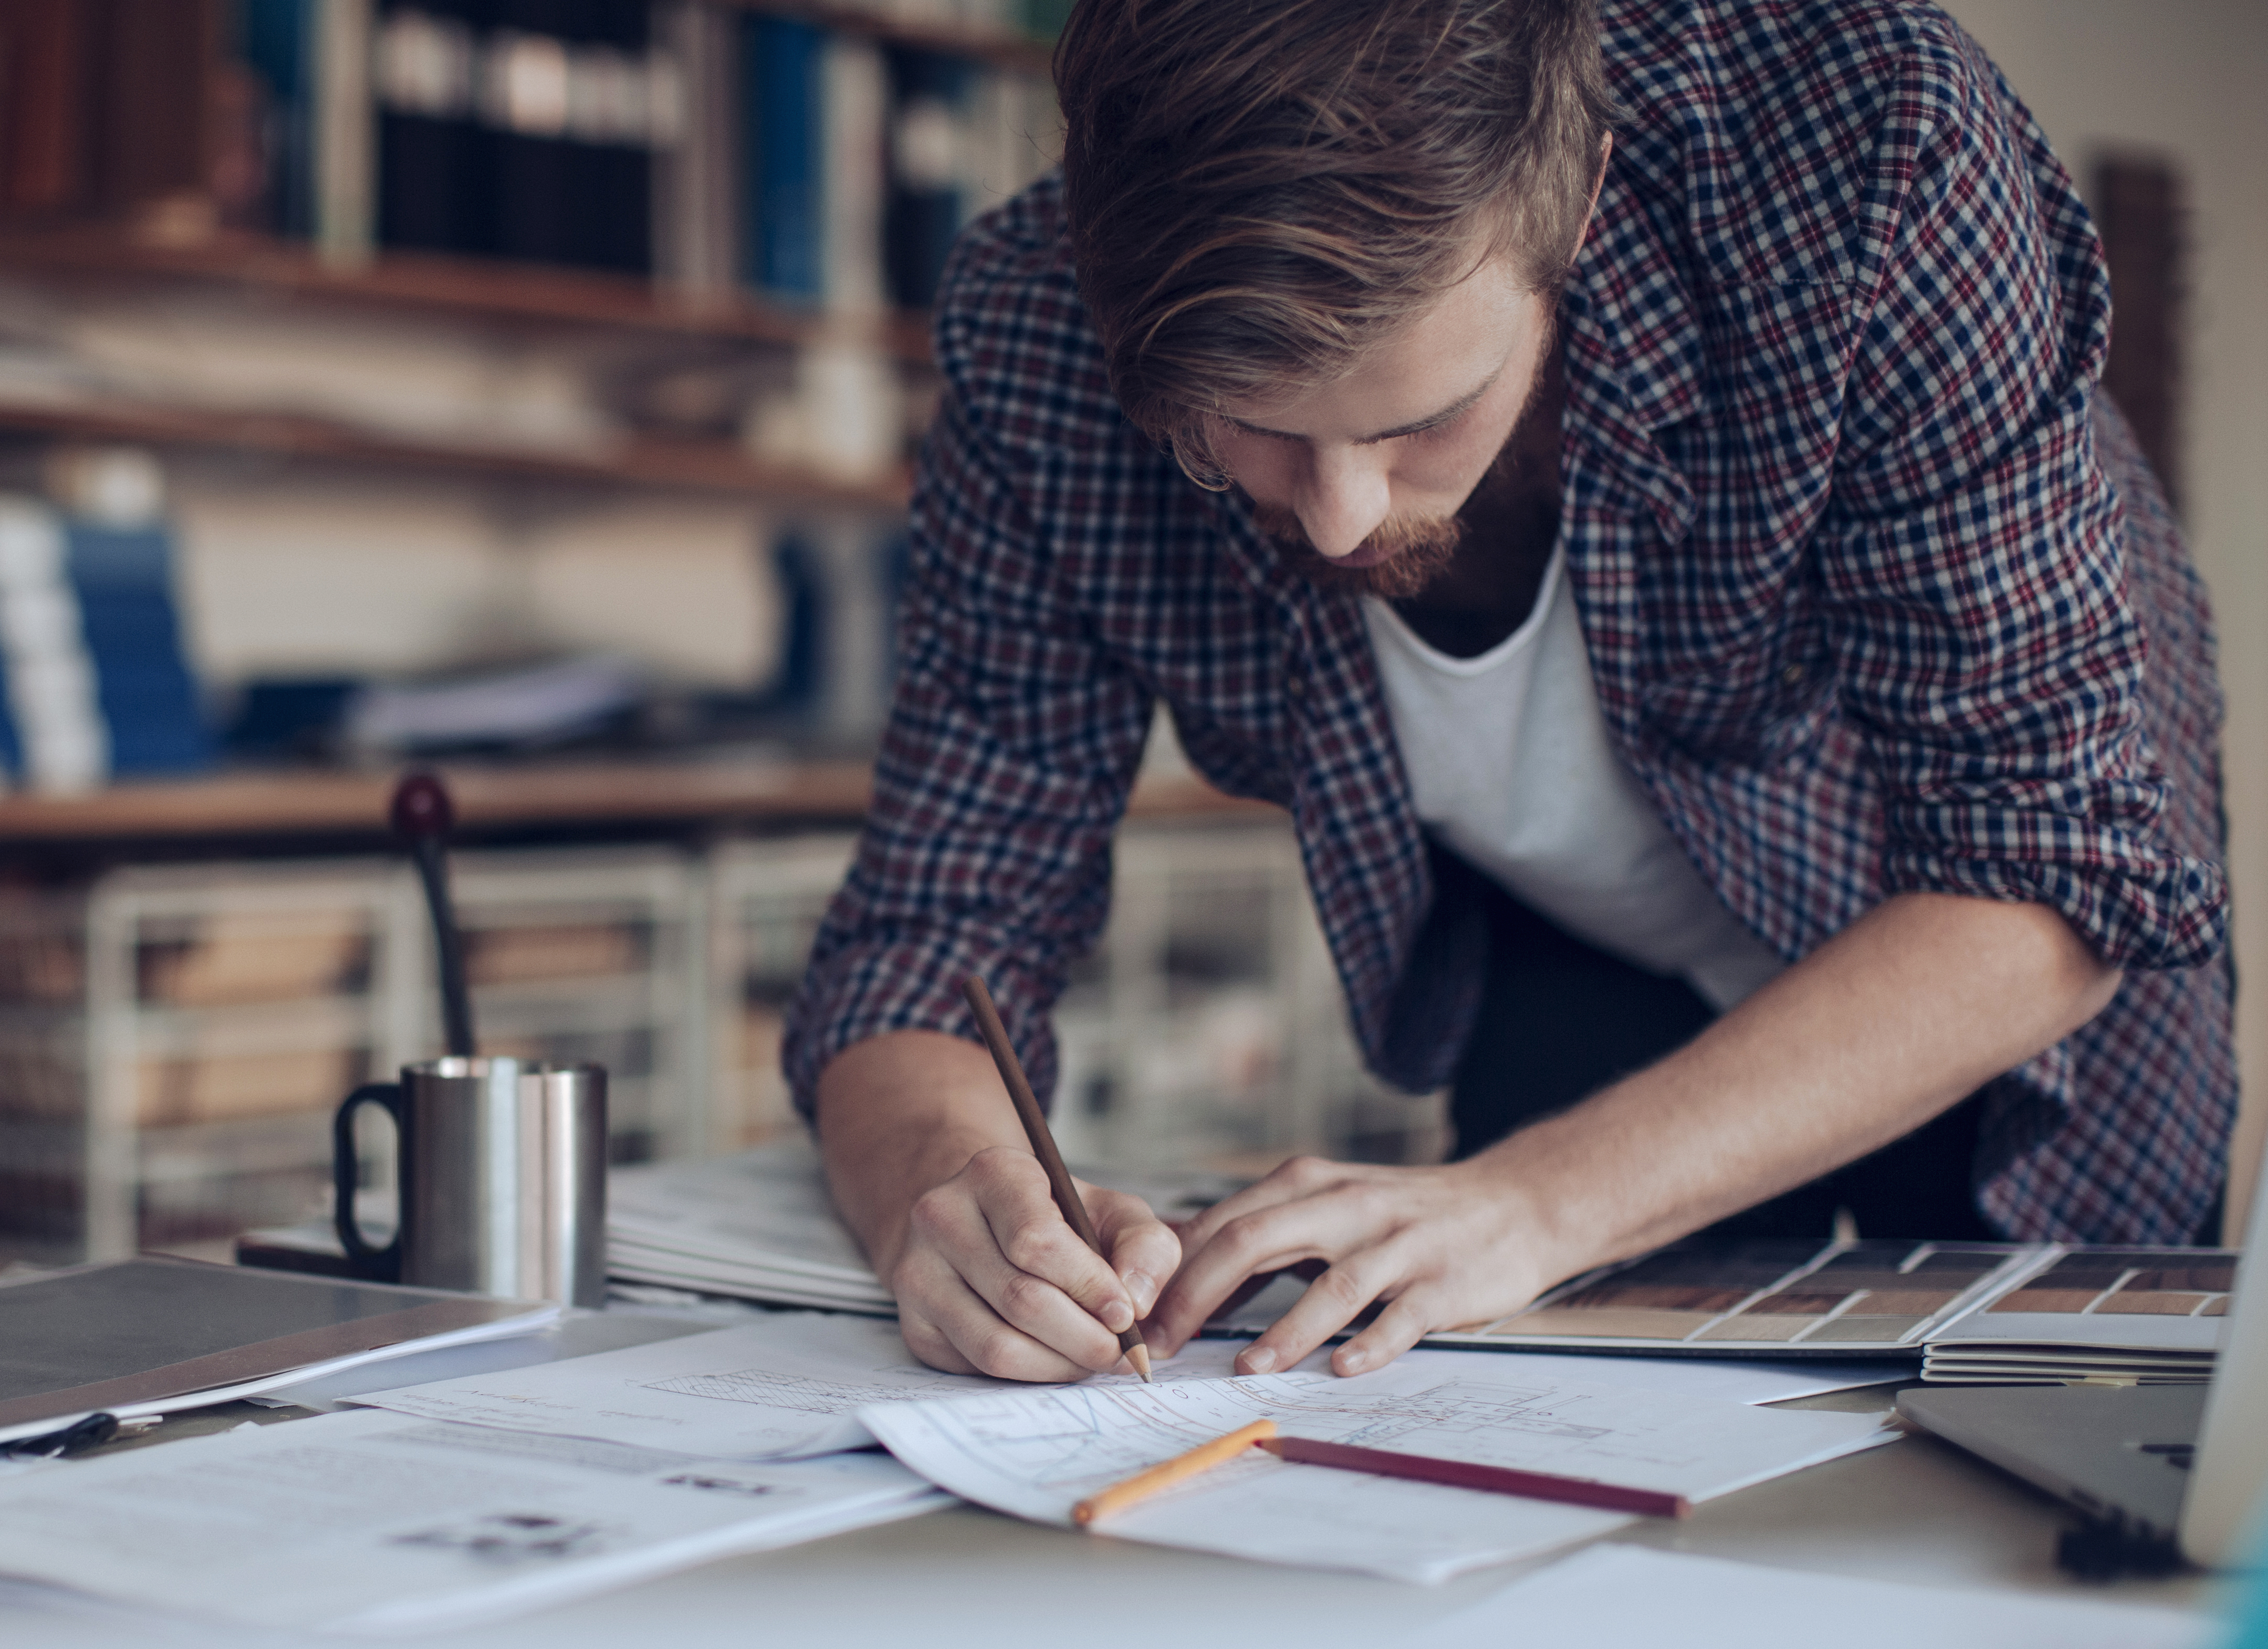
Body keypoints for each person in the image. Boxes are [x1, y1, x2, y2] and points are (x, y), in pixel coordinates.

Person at [784, 0, 2231, 1384]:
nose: (1344, 522)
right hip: (1575, 976)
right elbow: (938, 924)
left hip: (1985, 1000)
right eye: (1258, 433)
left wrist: (1541, 1202)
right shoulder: (1032, 329)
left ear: (1579, 199)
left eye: (1422, 420)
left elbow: (2050, 857)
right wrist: (952, 1193)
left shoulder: (1863, 143)